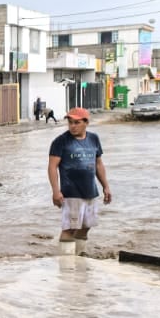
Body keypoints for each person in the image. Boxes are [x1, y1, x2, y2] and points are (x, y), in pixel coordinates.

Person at [48, 107, 111, 256]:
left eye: (76, 123)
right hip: (71, 192)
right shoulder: (61, 141)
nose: (72, 126)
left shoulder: (93, 139)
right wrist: (56, 191)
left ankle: (79, 257)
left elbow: (98, 164)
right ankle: (66, 263)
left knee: (86, 226)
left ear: (86, 123)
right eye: (70, 122)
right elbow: (52, 167)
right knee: (70, 228)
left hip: (90, 191)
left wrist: (106, 186)